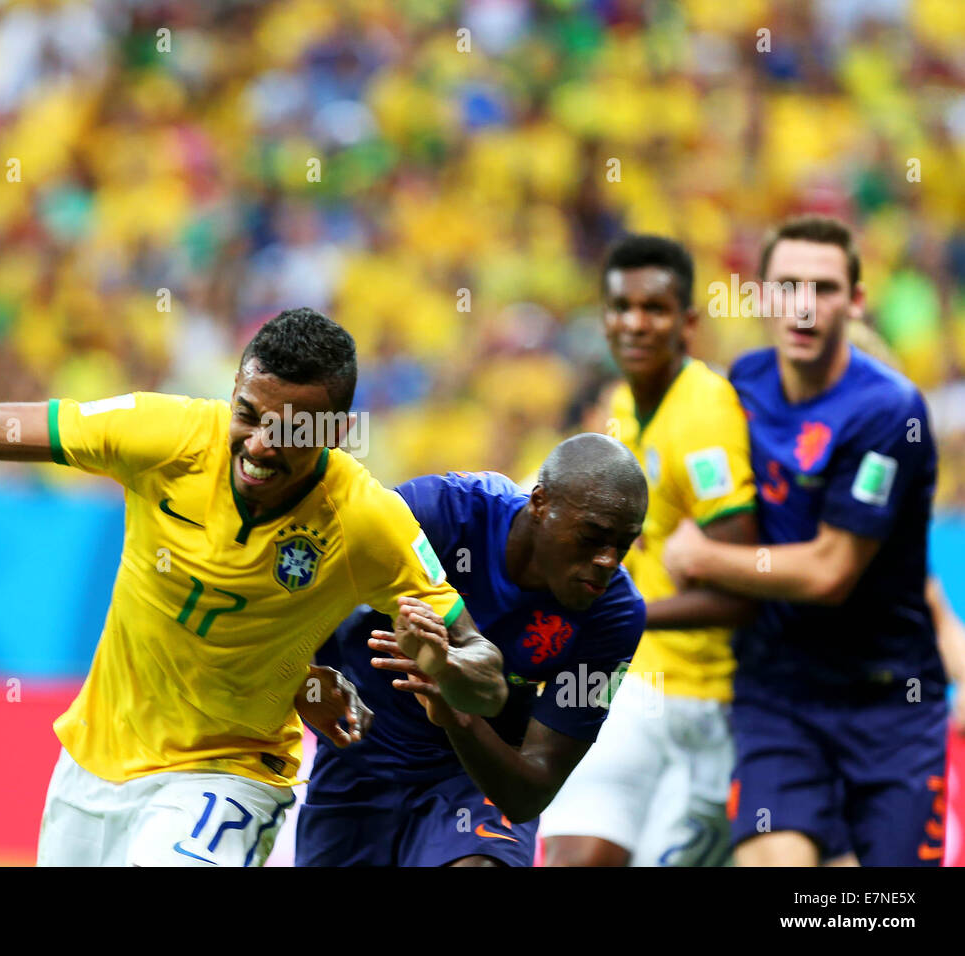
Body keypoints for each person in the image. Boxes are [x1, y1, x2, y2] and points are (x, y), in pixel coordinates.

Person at [0, 307, 508, 867]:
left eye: (292, 431)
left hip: (225, 775)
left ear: (334, 433)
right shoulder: (163, 435)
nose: (262, 445)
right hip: (94, 764)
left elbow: (487, 674)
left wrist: (444, 666)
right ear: (232, 391)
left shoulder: (369, 519)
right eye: (248, 415)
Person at [664, 216, 947, 866]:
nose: (802, 305)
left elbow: (830, 572)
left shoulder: (888, 411)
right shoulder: (742, 385)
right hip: (778, 696)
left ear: (855, 301)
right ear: (761, 296)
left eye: (822, 288)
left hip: (889, 705)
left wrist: (704, 557)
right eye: (786, 285)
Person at [295, 434, 648, 867]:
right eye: (593, 537)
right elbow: (298, 587)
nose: (608, 561)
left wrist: (457, 716)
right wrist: (307, 677)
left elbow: (530, 791)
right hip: (360, 752)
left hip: (472, 773)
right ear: (539, 503)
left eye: (624, 544)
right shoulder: (440, 511)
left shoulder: (615, 616)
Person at [539, 235, 757, 867]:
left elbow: (740, 591)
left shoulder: (706, 416)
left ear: (687, 321)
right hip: (625, 684)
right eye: (621, 307)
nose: (635, 323)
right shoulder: (619, 412)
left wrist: (621, 614)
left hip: (700, 701)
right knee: (573, 858)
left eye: (654, 309)